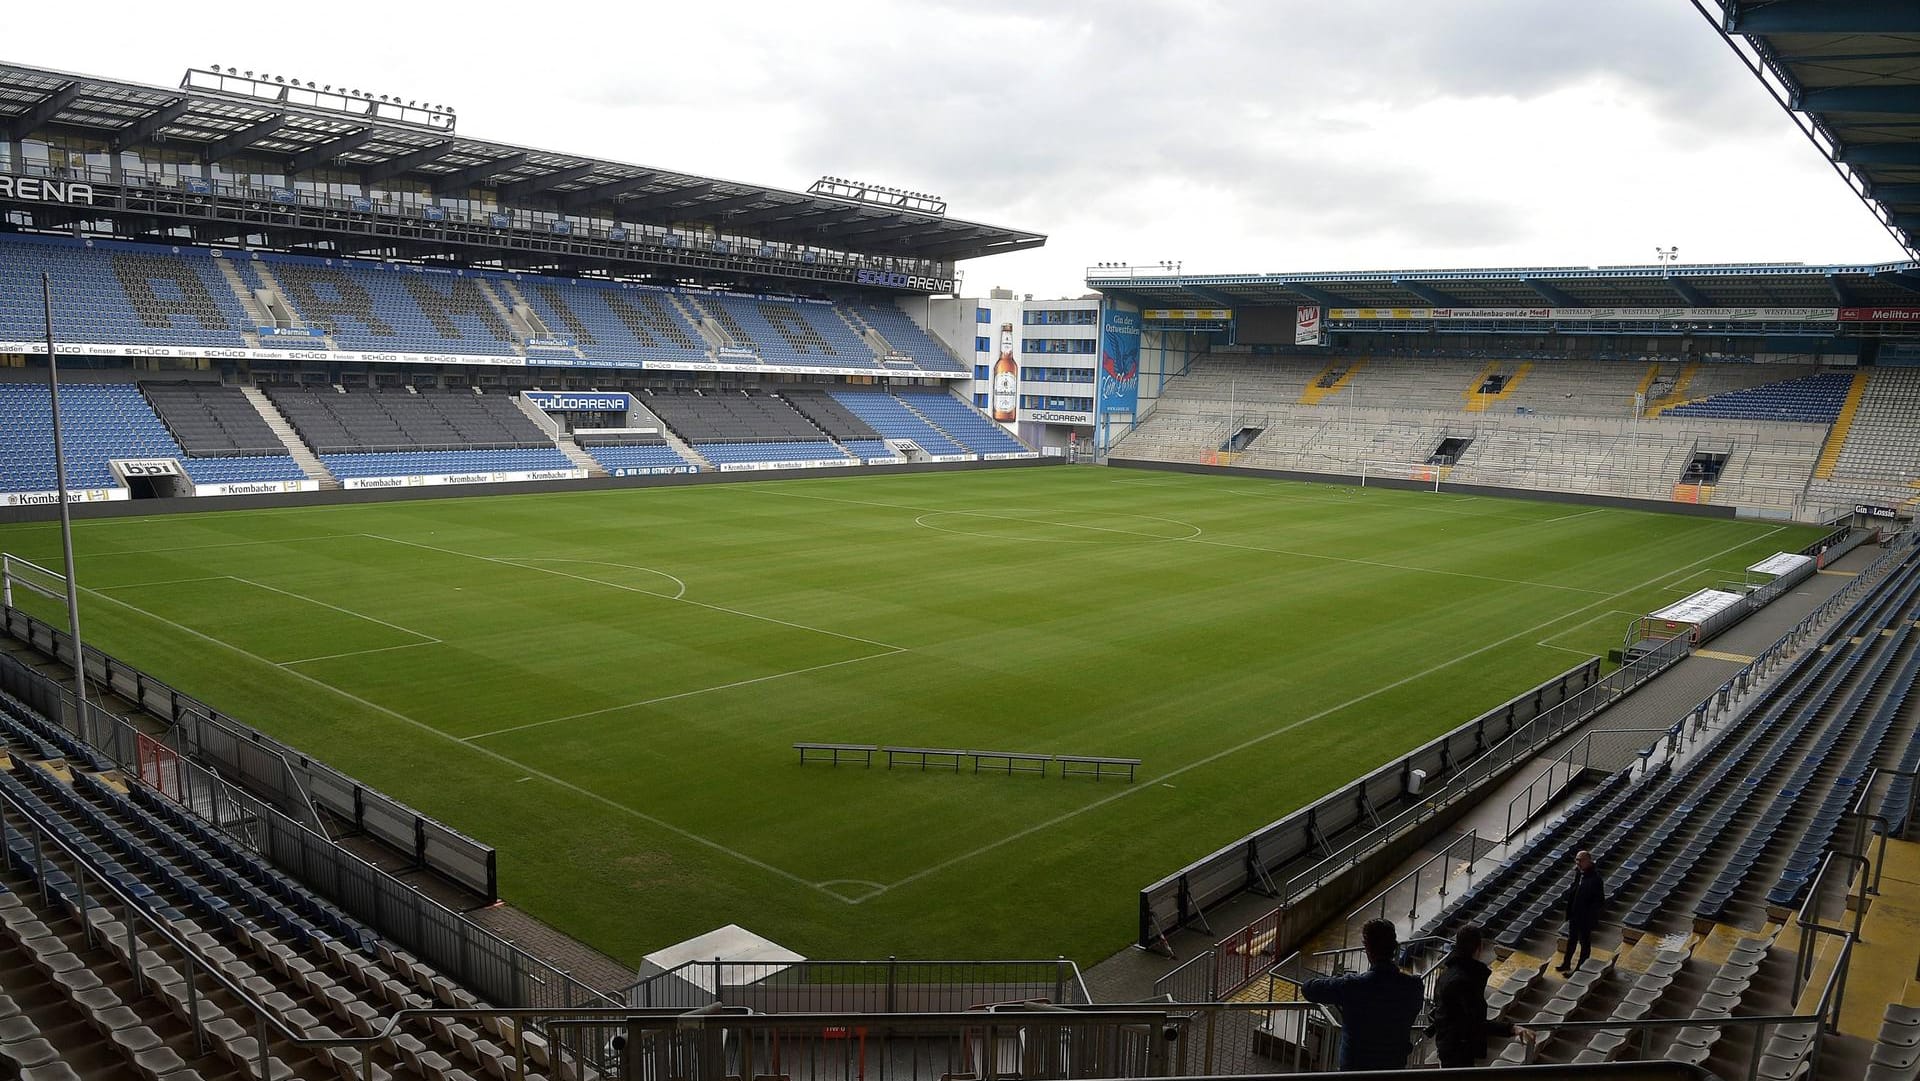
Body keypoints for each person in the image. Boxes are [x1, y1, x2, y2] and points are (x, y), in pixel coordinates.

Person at [1302, 918, 1425, 1071]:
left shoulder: (1353, 985)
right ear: (1394, 947)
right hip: (1393, 1067)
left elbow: (1309, 989)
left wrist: (1341, 981)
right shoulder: (1414, 986)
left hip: (1355, 1069)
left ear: (1367, 948)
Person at [1430, 925, 1534, 1067]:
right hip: (1459, 1047)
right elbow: (1475, 1023)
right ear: (1479, 947)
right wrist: (1511, 1029)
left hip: (1450, 1043)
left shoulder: (1447, 974)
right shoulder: (1465, 981)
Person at [1559, 849, 1606, 973]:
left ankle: (1579, 969)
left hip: (1585, 919)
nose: (1578, 862)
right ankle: (1566, 963)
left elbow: (1599, 901)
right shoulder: (1579, 874)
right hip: (1574, 916)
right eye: (1576, 860)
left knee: (1584, 944)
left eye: (1580, 860)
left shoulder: (1596, 880)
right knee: (1571, 941)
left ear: (1588, 861)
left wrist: (1588, 915)